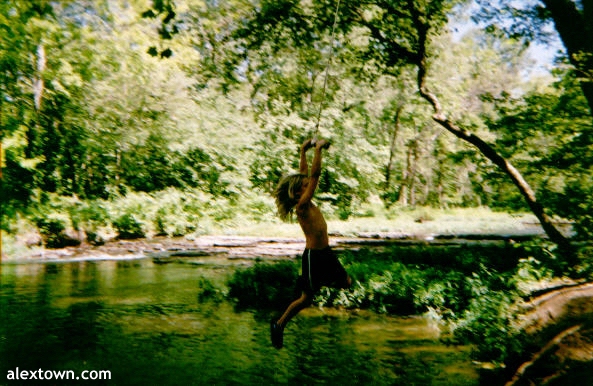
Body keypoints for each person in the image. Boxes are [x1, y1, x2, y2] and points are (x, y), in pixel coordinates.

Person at [270, 138, 351, 349]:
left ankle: (317, 282)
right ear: (299, 193)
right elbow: (314, 175)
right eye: (304, 186)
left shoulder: (304, 199)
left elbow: (305, 174)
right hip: (314, 257)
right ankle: (279, 324)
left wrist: (302, 151)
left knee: (347, 283)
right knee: (306, 299)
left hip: (326, 254)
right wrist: (318, 149)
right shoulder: (302, 206)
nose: (308, 185)